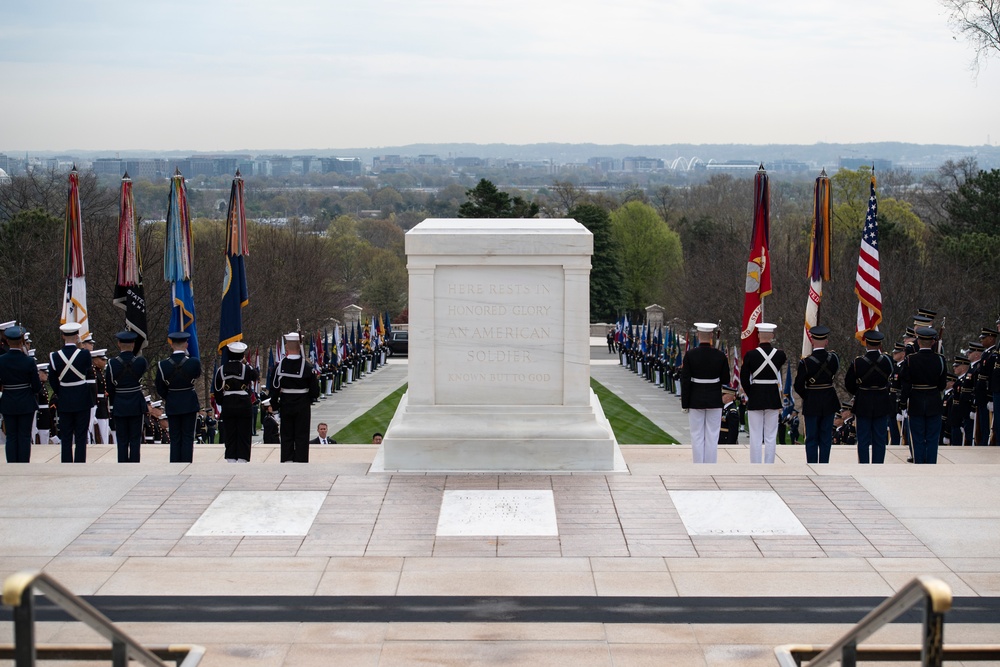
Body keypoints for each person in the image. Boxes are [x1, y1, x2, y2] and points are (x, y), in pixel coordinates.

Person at [680, 322, 730, 463]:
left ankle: (698, 465)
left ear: (698, 335)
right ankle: (710, 465)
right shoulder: (720, 356)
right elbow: (725, 379)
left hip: (695, 399)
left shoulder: (690, 355)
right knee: (712, 435)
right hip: (714, 398)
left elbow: (685, 380)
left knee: (696, 435)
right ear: (711, 336)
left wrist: (685, 403)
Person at [899, 326, 948, 464]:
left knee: (917, 436)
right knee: (932, 436)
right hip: (933, 399)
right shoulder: (940, 359)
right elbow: (942, 385)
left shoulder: (910, 359)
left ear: (918, 342)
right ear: (932, 342)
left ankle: (919, 462)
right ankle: (931, 463)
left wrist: (903, 402)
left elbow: (906, 383)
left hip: (916, 399)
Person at [844, 329, 894, 464]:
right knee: (880, 438)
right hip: (882, 401)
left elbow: (849, 383)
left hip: (863, 402)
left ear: (866, 343)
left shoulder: (858, 362)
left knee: (863, 438)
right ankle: (878, 465)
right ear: (879, 345)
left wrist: (859, 392)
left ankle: (864, 465)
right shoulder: (887, 361)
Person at [794, 325, 840, 464]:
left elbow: (798, 386)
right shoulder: (834, 359)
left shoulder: (806, 362)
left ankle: (812, 463)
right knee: (826, 436)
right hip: (828, 399)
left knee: (812, 437)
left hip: (812, 400)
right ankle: (824, 463)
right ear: (826, 341)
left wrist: (807, 396)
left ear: (812, 341)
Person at [740, 322, 786, 463]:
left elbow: (743, 378)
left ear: (759, 336)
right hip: (772, 395)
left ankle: (755, 464)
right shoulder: (780, 355)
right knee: (771, 435)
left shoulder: (750, 355)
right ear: (772, 336)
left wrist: (751, 393)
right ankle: (769, 463)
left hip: (756, 395)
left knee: (755, 434)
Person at [271, 332, 320, 462]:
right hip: (302, 404)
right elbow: (315, 391)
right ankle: (301, 460)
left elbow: (274, 389)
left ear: (287, 347)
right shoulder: (307, 367)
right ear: (300, 347)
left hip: (286, 403)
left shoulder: (279, 366)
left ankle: (287, 460)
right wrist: (308, 399)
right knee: (302, 435)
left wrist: (275, 407)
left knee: (286, 434)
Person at [49, 322, 94, 463]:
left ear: (63, 336)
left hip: (65, 397)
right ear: (77, 337)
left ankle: (66, 462)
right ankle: (80, 462)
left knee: (66, 435)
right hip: (82, 397)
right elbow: (87, 370)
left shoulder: (54, 356)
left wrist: (61, 391)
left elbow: (52, 380)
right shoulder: (85, 354)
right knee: (81, 434)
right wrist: (80, 346)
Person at [155, 331, 202, 463]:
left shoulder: (163, 365)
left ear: (172, 345)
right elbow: (197, 375)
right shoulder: (194, 362)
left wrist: (170, 396)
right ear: (186, 345)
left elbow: (160, 387)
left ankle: (175, 464)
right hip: (189, 402)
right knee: (187, 437)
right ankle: (186, 463)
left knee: (175, 437)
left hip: (173, 402)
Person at [0, 326, 42, 462]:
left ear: (6, 341)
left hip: (8, 400)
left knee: (11, 436)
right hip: (25, 402)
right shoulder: (28, 361)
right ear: (22, 341)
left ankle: (12, 464)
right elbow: (36, 386)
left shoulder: (1, 360)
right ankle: (23, 464)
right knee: (24, 435)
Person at [105, 331, 148, 462]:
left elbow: (110, 386)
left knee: (122, 438)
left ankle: (122, 463)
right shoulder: (141, 362)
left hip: (120, 403)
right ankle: (134, 463)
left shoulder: (112, 363)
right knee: (135, 438)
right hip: (136, 403)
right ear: (134, 345)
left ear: (119, 344)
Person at [213, 341, 258, 463]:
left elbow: (217, 390)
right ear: (242, 355)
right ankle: (242, 458)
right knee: (244, 432)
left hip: (228, 402)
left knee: (230, 432)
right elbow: (256, 376)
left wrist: (222, 401)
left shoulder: (221, 370)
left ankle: (231, 458)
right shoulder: (246, 369)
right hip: (243, 402)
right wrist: (246, 363)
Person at [91, 349, 112, 445]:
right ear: (95, 360)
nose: (104, 362)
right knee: (98, 433)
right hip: (98, 405)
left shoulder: (99, 373)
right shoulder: (94, 373)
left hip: (102, 405)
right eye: (102, 360)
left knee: (104, 432)